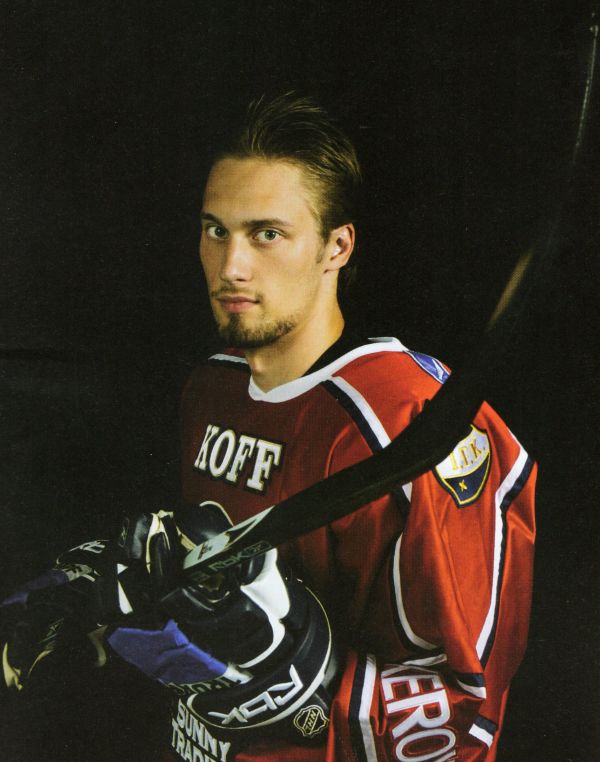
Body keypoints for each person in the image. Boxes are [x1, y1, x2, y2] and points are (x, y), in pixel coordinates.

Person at [1, 93, 536, 761]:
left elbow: (463, 718)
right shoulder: (214, 385)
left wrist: (304, 683)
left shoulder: (405, 421)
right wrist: (118, 595)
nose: (231, 266)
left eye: (267, 234)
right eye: (215, 230)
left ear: (336, 246)